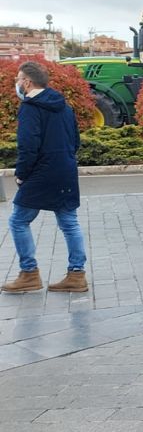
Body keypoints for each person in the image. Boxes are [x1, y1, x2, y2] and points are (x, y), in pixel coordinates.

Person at [2, 61, 88, 294]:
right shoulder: (64, 106)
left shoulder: (30, 107)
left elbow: (28, 146)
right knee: (69, 223)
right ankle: (77, 275)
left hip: (40, 172)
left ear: (27, 82)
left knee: (18, 221)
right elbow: (76, 141)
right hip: (65, 170)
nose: (17, 84)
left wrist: (21, 174)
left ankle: (29, 273)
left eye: (19, 79)